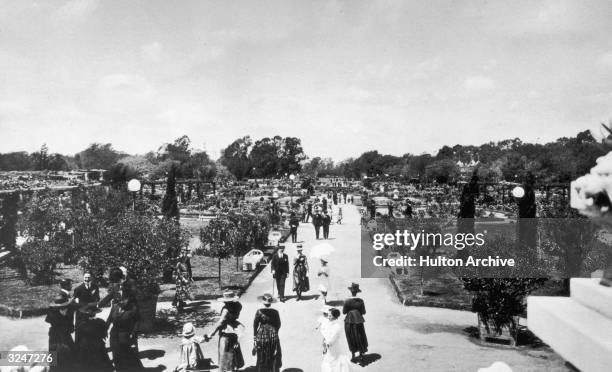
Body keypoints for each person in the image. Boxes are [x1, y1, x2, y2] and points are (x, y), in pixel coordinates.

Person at [107, 297, 143, 371]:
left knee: (125, 355)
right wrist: (104, 329)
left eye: (126, 301)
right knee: (115, 354)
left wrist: (134, 333)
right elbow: (109, 319)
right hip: (114, 334)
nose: (123, 302)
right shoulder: (114, 307)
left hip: (125, 334)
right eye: (122, 300)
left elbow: (137, 321)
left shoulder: (132, 309)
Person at [75, 304, 113, 372]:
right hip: (98, 346)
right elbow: (104, 334)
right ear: (95, 313)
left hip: (85, 347)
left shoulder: (81, 323)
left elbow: (78, 337)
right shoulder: (100, 322)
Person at [214, 291, 245, 372]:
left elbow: (220, 323)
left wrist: (211, 334)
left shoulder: (225, 310)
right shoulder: (237, 306)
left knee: (224, 352)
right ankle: (232, 368)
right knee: (232, 351)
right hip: (234, 330)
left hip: (226, 332)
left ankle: (226, 369)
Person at [46, 294, 77, 372]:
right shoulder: (53, 315)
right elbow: (69, 329)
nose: (66, 310)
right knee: (59, 358)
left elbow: (71, 329)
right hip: (58, 338)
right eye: (64, 308)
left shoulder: (65, 313)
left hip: (61, 337)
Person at [253, 293, 282, 372]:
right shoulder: (275, 312)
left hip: (261, 335)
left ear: (263, 302)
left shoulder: (259, 312)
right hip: (273, 335)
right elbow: (278, 324)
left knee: (261, 354)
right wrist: (274, 331)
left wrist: (255, 337)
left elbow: (255, 324)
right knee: (274, 353)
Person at [343, 283, 368, 363]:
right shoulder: (361, 301)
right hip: (358, 321)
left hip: (349, 321)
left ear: (351, 291)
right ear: (357, 292)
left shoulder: (347, 301)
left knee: (351, 337)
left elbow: (344, 312)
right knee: (360, 336)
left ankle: (353, 355)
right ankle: (361, 354)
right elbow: (363, 312)